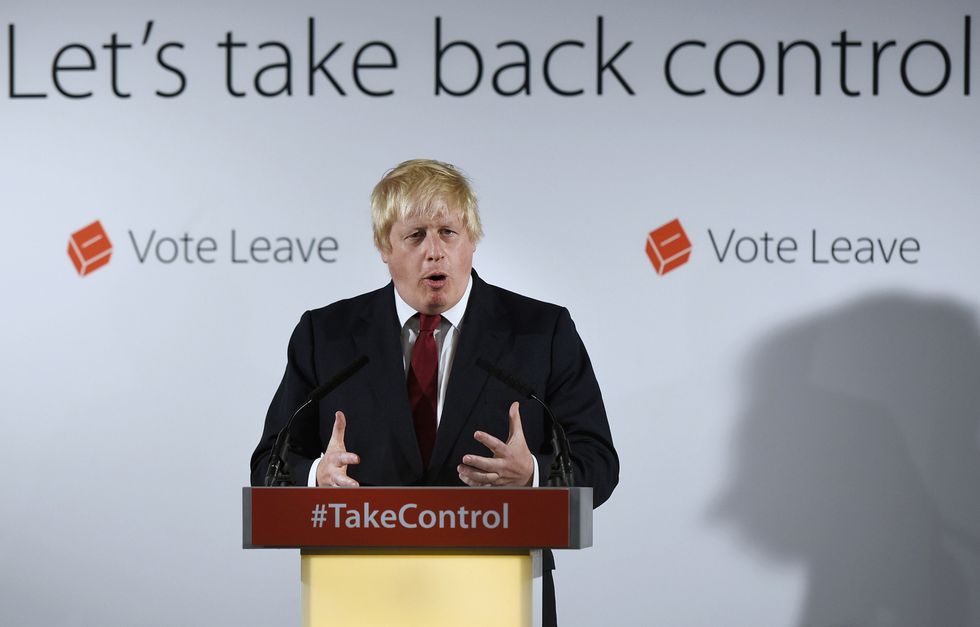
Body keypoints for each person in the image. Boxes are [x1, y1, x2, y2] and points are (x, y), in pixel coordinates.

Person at [250, 158, 618, 626]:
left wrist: (533, 475)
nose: (435, 251)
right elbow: (269, 465)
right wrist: (316, 479)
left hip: (500, 593)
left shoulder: (541, 331)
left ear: (472, 241)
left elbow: (599, 462)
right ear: (385, 247)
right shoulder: (327, 336)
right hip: (361, 593)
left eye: (448, 232)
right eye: (415, 235)